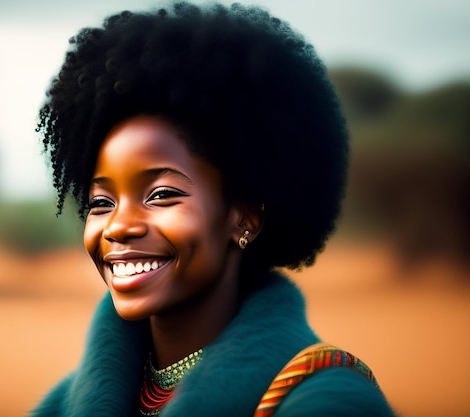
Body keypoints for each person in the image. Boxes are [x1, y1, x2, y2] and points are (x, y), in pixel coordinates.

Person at [32, 2, 396, 416]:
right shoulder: (61, 405)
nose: (118, 227)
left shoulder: (327, 401)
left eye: (162, 195)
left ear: (245, 218)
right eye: (102, 203)